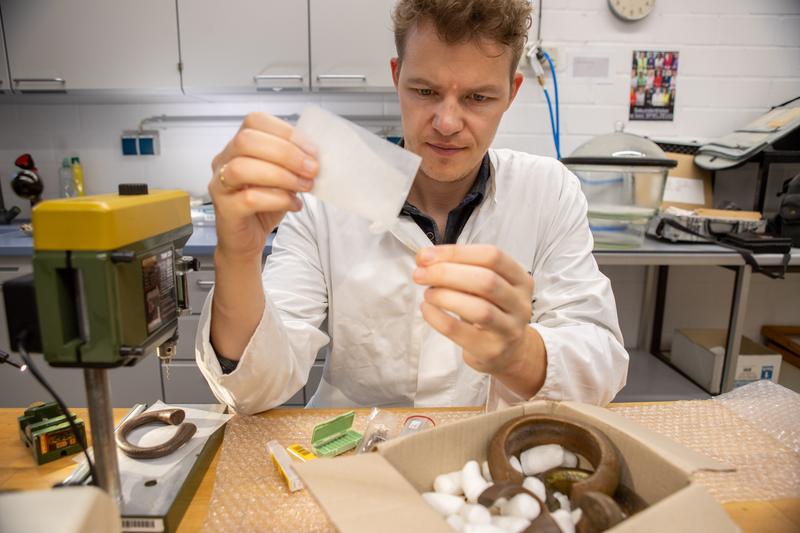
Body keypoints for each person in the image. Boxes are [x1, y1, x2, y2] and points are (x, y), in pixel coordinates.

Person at [195, 0, 628, 414]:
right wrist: (237, 258)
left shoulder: (547, 191)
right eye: (425, 90)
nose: (447, 122)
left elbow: (603, 361)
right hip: (355, 459)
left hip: (487, 458)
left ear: (512, 92)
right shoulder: (322, 197)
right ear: (396, 76)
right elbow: (255, 390)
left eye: (478, 98)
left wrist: (521, 353)